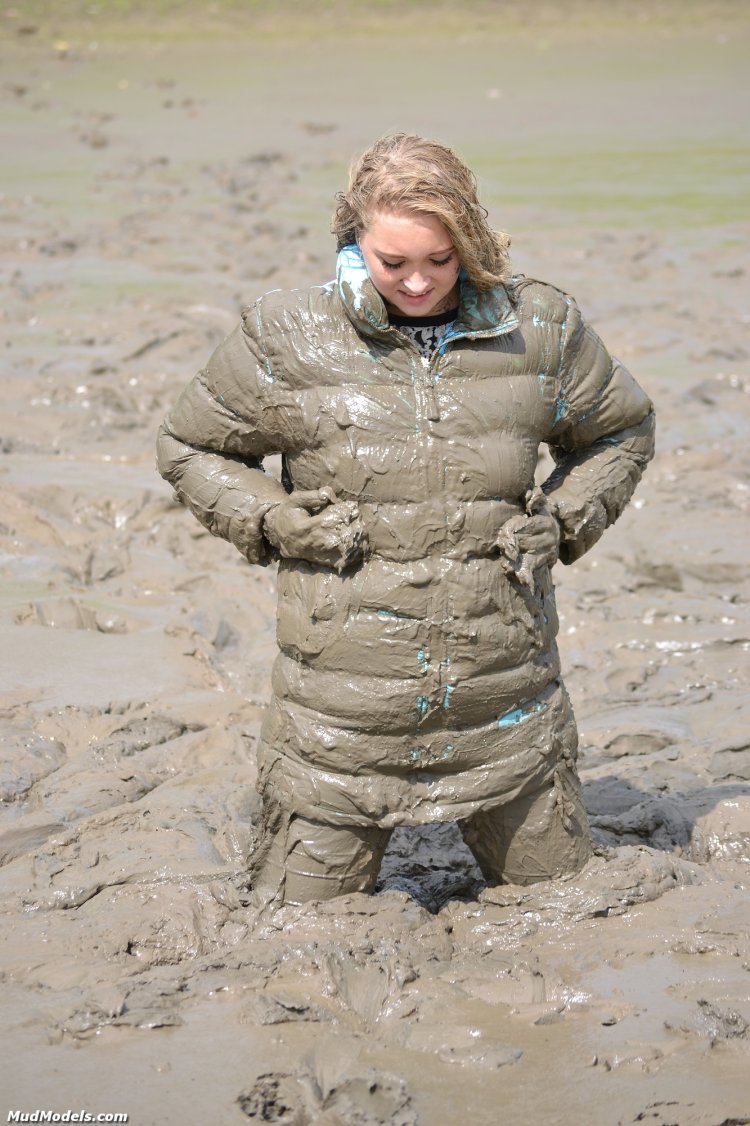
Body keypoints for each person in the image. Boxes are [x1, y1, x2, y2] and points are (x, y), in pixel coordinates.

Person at [156, 133, 655, 909]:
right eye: (393, 263)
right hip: (338, 726)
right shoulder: (287, 336)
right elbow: (189, 444)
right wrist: (273, 519)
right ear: (353, 240)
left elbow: (621, 430)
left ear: (470, 242)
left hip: (507, 710)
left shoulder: (541, 328)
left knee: (562, 910)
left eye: (440, 260)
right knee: (303, 926)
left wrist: (563, 520)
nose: (418, 282)